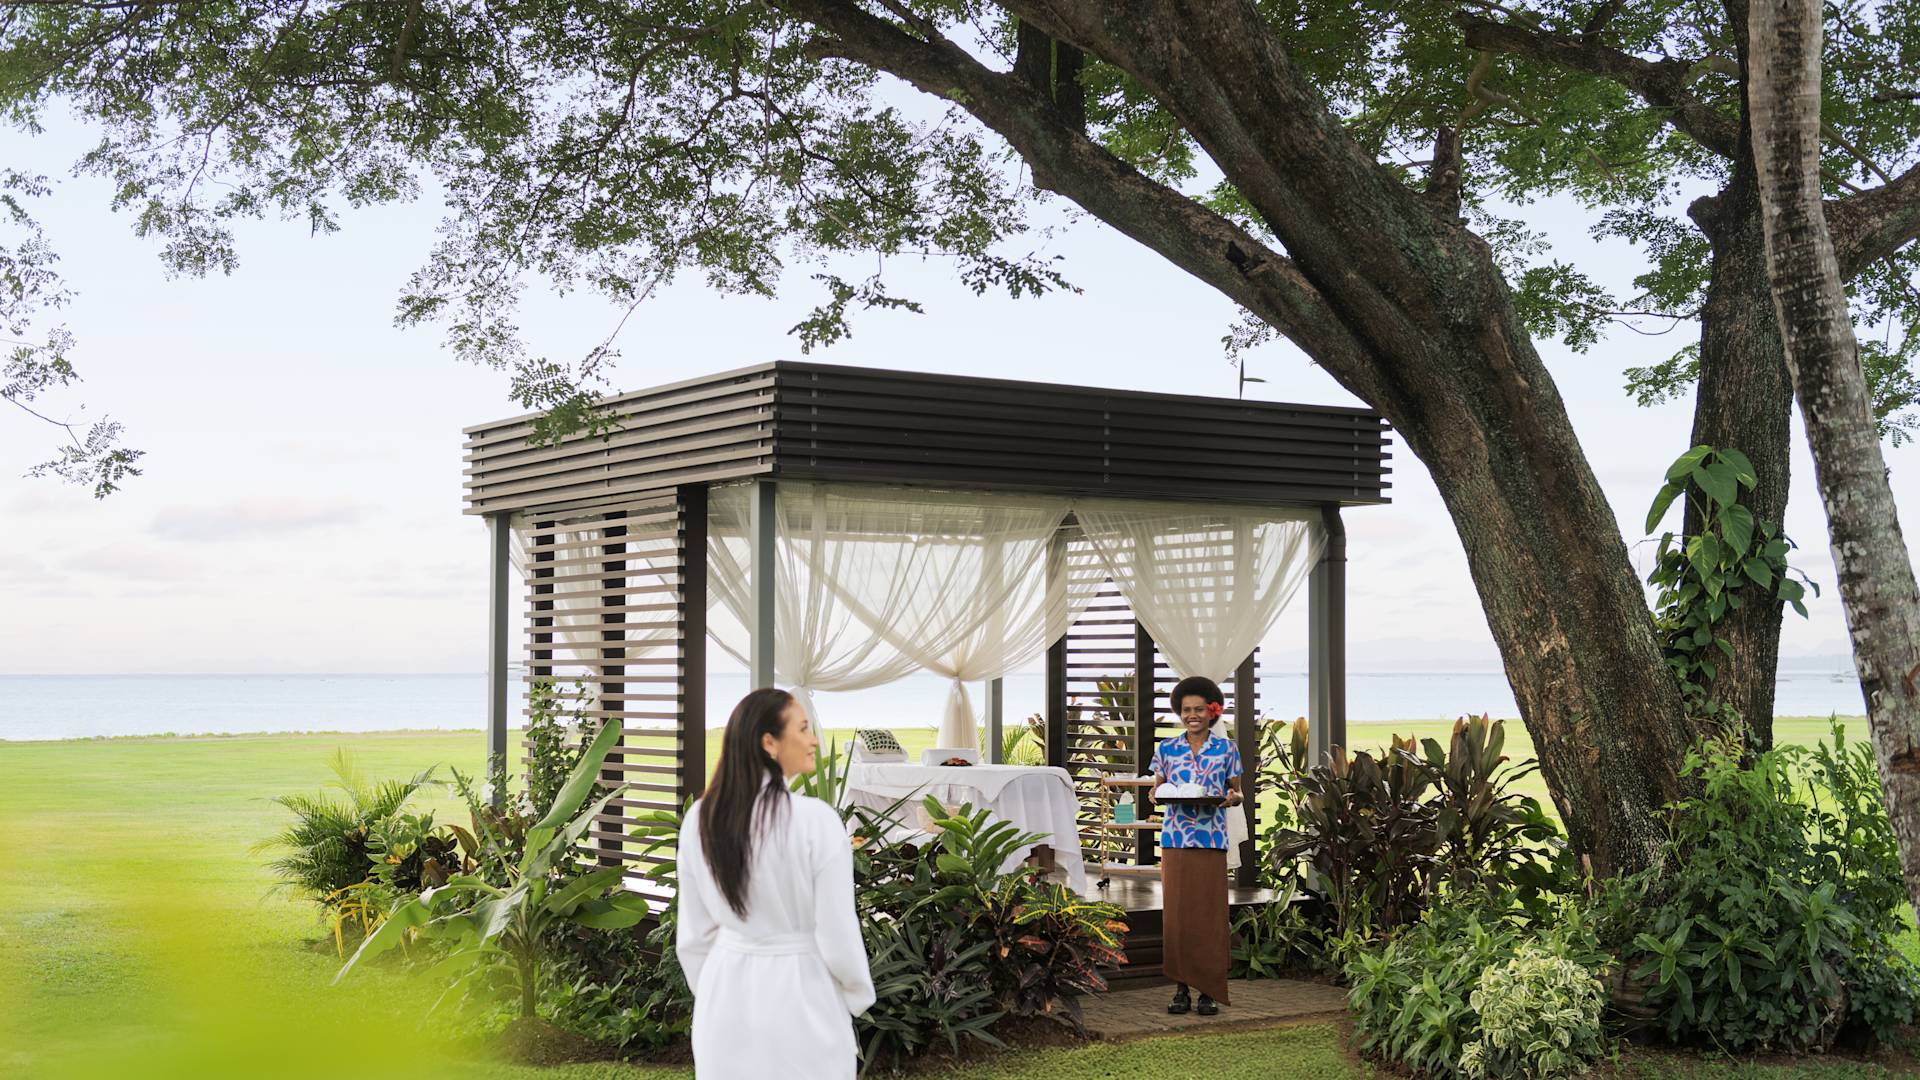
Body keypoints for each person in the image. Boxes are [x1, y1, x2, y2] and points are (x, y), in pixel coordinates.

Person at [676, 688, 875, 1079]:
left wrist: (715, 990)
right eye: (803, 728)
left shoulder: (700, 819)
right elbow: (837, 933)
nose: (814, 738)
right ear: (769, 742)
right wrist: (856, 996)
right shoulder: (816, 822)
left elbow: (694, 936)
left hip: (724, 997)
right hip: (803, 995)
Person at [1148, 675, 1244, 1017]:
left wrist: (1230, 799)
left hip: (1211, 839)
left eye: (1199, 709)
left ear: (1212, 711)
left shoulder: (1226, 749)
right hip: (1175, 840)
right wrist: (1155, 794)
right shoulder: (1167, 749)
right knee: (1177, 916)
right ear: (1180, 712)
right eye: (1186, 709)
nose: (1192, 715)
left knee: (1208, 915)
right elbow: (1156, 790)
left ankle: (1208, 991)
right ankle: (1180, 988)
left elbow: (1238, 793)